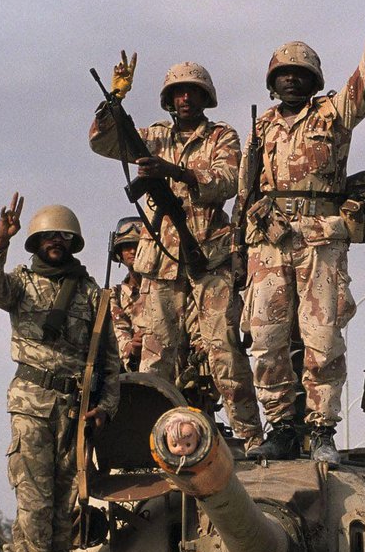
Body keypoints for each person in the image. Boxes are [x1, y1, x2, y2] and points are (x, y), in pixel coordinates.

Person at [238, 0, 365, 466]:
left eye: (300, 76)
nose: (291, 83)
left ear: (314, 81)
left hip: (321, 239)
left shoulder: (332, 114)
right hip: (268, 241)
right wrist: (244, 248)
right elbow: (245, 191)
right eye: (283, 76)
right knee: (265, 338)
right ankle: (280, 426)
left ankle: (320, 429)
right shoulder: (260, 128)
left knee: (322, 338)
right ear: (272, 83)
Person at [89, 55, 262, 450]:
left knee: (226, 352)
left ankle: (253, 439)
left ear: (205, 98)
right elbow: (103, 141)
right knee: (156, 359)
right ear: (169, 98)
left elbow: (227, 182)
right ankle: (152, 443)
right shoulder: (152, 135)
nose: (185, 99)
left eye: (193, 92)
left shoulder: (222, 136)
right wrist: (114, 99)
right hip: (162, 260)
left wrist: (175, 173)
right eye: (179, 92)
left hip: (209, 259)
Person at [0, 194, 120, 552]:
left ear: (73, 242)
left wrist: (106, 407)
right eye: (48, 236)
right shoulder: (21, 283)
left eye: (63, 236)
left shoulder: (93, 294)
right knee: (35, 502)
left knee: (66, 506)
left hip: (74, 412)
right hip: (32, 404)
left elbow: (110, 360)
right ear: (36, 242)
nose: (55, 242)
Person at [109, 216, 144, 371]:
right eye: (127, 246)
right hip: (132, 376)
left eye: (138, 245)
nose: (133, 251)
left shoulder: (169, 291)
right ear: (119, 254)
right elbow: (119, 332)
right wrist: (132, 349)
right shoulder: (114, 296)